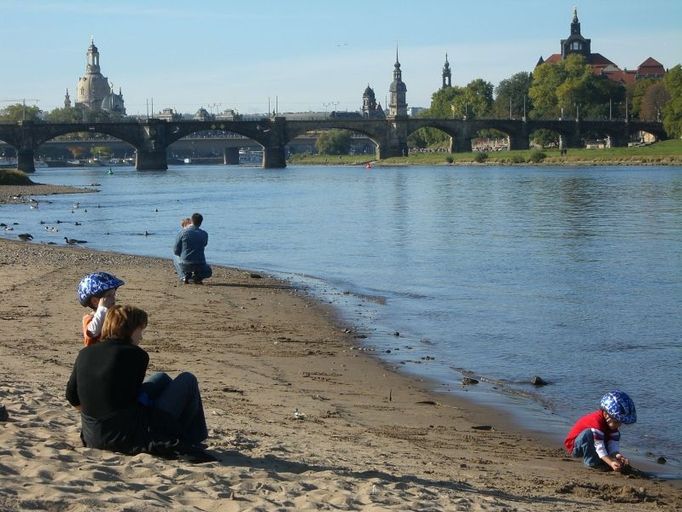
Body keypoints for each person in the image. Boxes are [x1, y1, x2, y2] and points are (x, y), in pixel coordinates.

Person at [66, 305, 209, 456]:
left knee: (161, 378)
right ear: (129, 330)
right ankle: (193, 437)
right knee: (188, 380)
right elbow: (132, 397)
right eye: (140, 330)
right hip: (123, 435)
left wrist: (97, 411)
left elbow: (71, 396)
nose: (141, 337)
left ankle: (187, 433)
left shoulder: (85, 352)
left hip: (92, 434)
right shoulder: (136, 355)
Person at [564, 390, 637, 472]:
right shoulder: (596, 422)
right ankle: (592, 463)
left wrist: (618, 456)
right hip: (576, 447)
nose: (619, 425)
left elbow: (613, 445)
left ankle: (600, 459)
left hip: (595, 442)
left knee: (614, 435)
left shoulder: (611, 425)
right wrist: (611, 463)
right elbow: (600, 448)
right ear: (606, 414)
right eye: (616, 421)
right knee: (589, 433)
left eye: (620, 422)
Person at [77, 272, 125, 346]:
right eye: (109, 295)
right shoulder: (89, 318)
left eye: (113, 294)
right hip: (95, 354)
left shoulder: (113, 316)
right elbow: (92, 332)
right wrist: (102, 308)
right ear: (95, 301)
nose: (113, 298)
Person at [173, 212, 212, 284]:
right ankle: (197, 277)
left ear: (191, 220)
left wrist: (182, 254)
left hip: (186, 264)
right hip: (200, 264)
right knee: (208, 271)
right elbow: (204, 244)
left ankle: (184, 276)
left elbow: (175, 250)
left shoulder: (183, 232)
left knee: (175, 256)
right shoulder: (204, 234)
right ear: (201, 222)